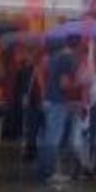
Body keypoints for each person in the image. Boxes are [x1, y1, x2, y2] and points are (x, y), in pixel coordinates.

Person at [35, 36, 80, 183]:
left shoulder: (53, 58)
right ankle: (49, 172)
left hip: (50, 100)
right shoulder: (67, 58)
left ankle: (43, 170)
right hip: (59, 101)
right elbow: (64, 84)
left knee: (48, 137)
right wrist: (80, 82)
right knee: (54, 138)